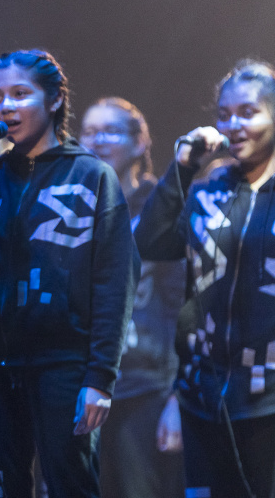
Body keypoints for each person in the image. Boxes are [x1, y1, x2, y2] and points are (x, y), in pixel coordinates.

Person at [134, 59, 275, 497]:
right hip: (205, 400)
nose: (233, 125)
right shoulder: (208, 192)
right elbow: (150, 242)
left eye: (248, 113)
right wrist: (182, 167)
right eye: (224, 115)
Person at [0, 50, 138, 498]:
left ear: (55, 99)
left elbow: (114, 284)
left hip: (64, 366)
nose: (6, 107)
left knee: (69, 486)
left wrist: (100, 377)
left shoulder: (92, 176)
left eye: (20, 94)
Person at [80, 97, 185, 498]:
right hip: (83, 383)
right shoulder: (72, 208)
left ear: (140, 142)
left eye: (110, 131)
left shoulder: (162, 207)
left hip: (146, 387)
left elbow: (183, 304)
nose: (97, 141)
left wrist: (178, 395)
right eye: (89, 132)